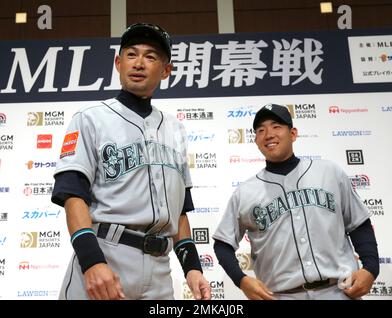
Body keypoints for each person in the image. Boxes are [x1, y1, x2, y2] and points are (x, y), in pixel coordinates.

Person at [51, 23, 211, 300]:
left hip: (160, 269)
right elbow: (72, 194)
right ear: (118, 62)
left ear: (165, 70)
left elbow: (180, 210)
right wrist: (92, 261)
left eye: (150, 56)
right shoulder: (90, 118)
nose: (139, 63)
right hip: (107, 254)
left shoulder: (175, 129)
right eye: (131, 54)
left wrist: (192, 268)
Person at [213, 103, 379, 300]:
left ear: (293, 134)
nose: (269, 134)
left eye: (276, 126)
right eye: (261, 130)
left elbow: (358, 223)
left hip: (339, 292)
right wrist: (241, 279)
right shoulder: (245, 192)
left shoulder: (329, 172)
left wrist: (371, 268)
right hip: (282, 296)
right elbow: (222, 243)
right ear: (256, 140)